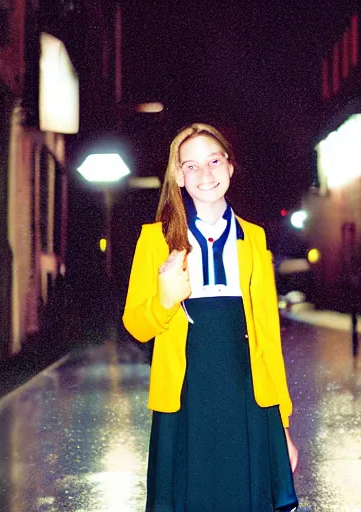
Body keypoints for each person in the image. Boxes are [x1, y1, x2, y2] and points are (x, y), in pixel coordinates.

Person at [123, 123, 299, 511]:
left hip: (248, 395)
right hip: (186, 396)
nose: (205, 174)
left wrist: (282, 425)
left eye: (214, 161)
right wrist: (166, 301)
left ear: (230, 167)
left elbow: (268, 336)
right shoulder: (155, 239)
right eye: (191, 165)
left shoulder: (253, 239)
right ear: (178, 177)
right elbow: (136, 325)